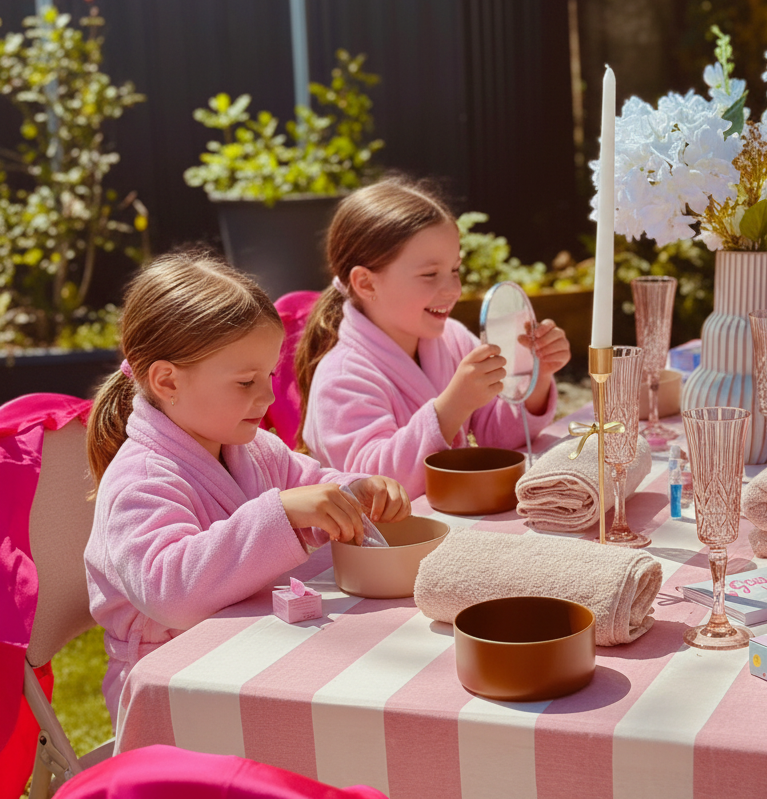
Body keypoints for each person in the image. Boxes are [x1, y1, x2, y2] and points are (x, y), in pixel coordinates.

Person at [85, 253, 411, 723]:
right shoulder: (139, 480)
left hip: (250, 660)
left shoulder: (251, 447)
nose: (269, 397)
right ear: (166, 380)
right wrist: (281, 514)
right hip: (175, 690)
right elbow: (170, 591)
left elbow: (311, 483)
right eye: (245, 382)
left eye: (270, 376)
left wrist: (355, 490)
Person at [296, 177, 570, 497]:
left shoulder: (452, 339)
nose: (454, 289)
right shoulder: (342, 377)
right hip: (383, 543)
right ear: (366, 283)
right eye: (430, 275)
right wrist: (452, 407)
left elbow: (501, 439)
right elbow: (375, 485)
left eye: (455, 270)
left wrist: (536, 375)